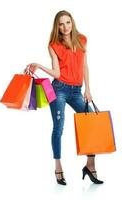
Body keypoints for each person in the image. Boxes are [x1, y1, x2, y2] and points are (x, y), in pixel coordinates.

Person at [26, 10, 103, 185]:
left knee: (91, 123)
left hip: (77, 91)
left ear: (72, 22)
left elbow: (85, 66)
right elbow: (57, 73)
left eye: (68, 22)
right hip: (59, 89)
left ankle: (90, 166)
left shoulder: (82, 39)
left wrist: (88, 89)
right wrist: (39, 65)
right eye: (61, 24)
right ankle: (58, 167)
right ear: (57, 26)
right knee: (59, 128)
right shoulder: (53, 45)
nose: (65, 27)